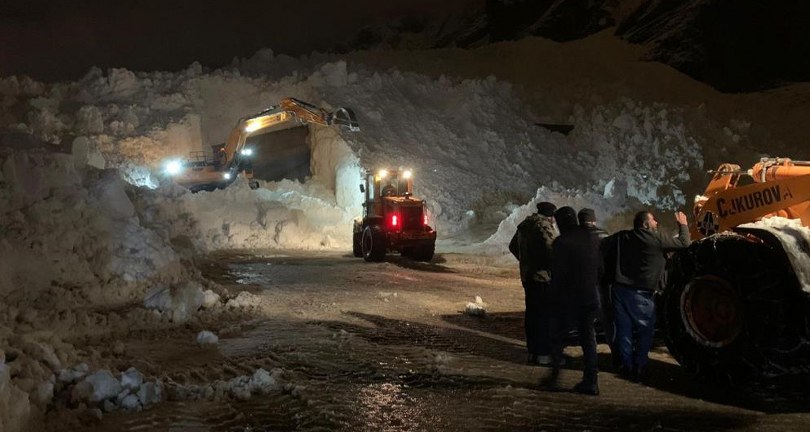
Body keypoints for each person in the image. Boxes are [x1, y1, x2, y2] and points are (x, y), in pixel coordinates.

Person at [602, 210, 690, 382]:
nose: (656, 223)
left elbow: (604, 245)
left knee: (624, 330)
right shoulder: (655, 239)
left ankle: (626, 365)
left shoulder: (622, 237)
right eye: (653, 220)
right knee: (645, 331)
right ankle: (639, 365)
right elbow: (685, 243)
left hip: (620, 291)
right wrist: (683, 224)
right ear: (644, 224)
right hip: (641, 293)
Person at [540, 206, 602, 395]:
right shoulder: (591, 237)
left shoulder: (561, 242)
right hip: (591, 296)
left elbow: (558, 274)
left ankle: (554, 376)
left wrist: (553, 297)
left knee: (557, 338)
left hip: (568, 299)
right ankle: (591, 381)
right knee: (588, 339)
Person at [509, 201, 557, 365]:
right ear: (550, 216)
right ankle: (543, 353)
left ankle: (532, 350)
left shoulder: (525, 225)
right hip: (542, 277)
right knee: (544, 315)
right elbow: (552, 251)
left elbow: (512, 246)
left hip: (527, 276)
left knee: (532, 313)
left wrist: (525, 261)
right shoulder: (543, 226)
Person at [577, 208, 617, 369]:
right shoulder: (604, 235)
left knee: (586, 325)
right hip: (601, 284)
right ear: (593, 220)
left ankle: (590, 361)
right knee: (609, 322)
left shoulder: (573, 236)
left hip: (581, 286)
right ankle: (617, 356)